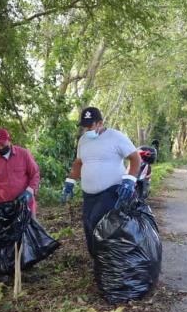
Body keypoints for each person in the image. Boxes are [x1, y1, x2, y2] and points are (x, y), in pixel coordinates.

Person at [60, 106, 142, 255]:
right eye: (84, 126)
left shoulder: (116, 137)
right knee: (87, 224)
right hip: (89, 194)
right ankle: (98, 260)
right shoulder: (83, 140)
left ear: (100, 123)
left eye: (89, 125)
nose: (86, 129)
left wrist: (130, 179)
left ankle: (110, 255)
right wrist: (70, 182)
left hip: (111, 190)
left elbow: (135, 158)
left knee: (97, 219)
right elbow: (78, 163)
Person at [0, 128, 40, 215]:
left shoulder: (24, 154)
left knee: (30, 228)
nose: (0, 147)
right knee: (6, 228)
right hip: (4, 208)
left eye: (2, 144)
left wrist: (29, 191)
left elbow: (35, 174)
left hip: (25, 204)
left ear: (8, 140)